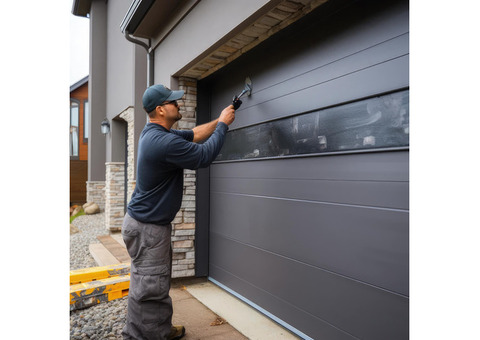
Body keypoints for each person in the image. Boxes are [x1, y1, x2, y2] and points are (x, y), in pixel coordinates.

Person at [122, 84, 235, 340]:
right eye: (173, 102)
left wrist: (220, 118)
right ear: (161, 109)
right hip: (148, 229)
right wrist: (224, 127)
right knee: (150, 287)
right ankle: (144, 336)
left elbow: (195, 135)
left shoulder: (155, 133)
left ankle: (158, 331)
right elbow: (204, 155)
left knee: (153, 282)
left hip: (145, 225)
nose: (178, 104)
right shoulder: (162, 142)